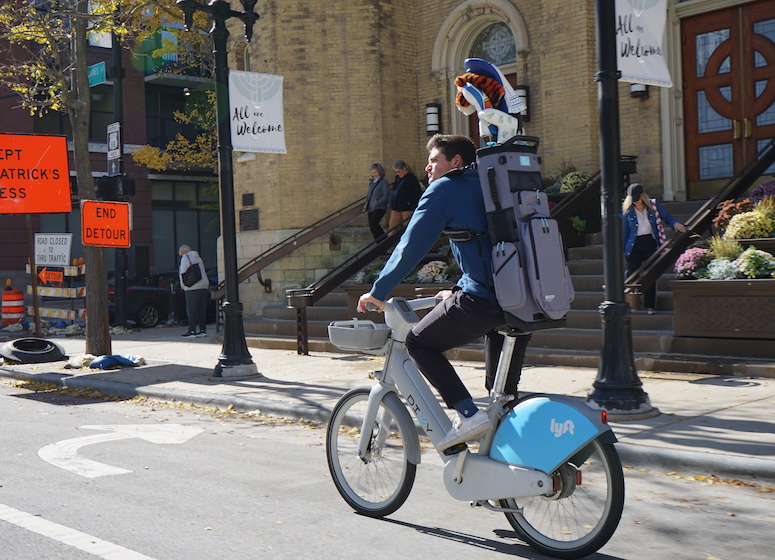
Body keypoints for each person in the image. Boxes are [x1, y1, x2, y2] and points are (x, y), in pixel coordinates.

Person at [357, 134, 531, 452]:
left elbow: (410, 247)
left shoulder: (446, 188)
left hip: (484, 300)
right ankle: (508, 479)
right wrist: (457, 288)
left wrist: (378, 292)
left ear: (456, 162)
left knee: (418, 343)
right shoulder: (491, 186)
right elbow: (488, 245)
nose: (427, 167)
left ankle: (466, 414)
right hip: (523, 299)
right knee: (500, 400)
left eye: (435, 160)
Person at [622, 183, 687, 314]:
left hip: (650, 243)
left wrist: (675, 223)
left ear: (642, 196)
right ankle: (634, 303)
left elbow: (666, 217)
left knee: (650, 274)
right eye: (633, 199)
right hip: (634, 245)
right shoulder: (627, 211)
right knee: (632, 274)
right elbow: (625, 232)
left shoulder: (653, 206)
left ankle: (650, 305)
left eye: (637, 198)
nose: (636, 201)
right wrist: (625, 250)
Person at [178, 245, 209, 338]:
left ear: (182, 252)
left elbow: (183, 272)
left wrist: (183, 285)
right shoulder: (198, 257)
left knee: (191, 310)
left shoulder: (185, 257)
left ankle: (192, 330)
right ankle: (203, 330)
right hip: (204, 285)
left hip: (192, 287)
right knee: (201, 309)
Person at [387, 160, 422, 235]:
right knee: (392, 228)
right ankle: (391, 246)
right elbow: (395, 190)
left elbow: (417, 192)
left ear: (404, 169)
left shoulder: (411, 178)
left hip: (407, 208)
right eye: (396, 172)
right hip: (396, 206)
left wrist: (409, 202)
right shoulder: (397, 178)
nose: (397, 173)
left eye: (399, 171)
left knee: (407, 227)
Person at [364, 163, 390, 241]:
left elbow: (386, 195)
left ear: (380, 172)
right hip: (370, 207)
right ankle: (379, 243)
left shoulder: (383, 182)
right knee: (372, 227)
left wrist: (377, 202)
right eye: (372, 173)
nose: (373, 174)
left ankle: (385, 241)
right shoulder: (372, 182)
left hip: (379, 207)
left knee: (374, 223)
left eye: (375, 172)